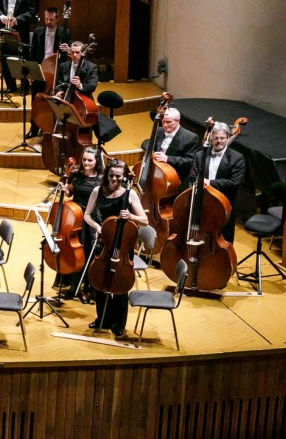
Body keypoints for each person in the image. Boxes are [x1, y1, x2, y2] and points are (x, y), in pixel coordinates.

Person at [83, 160, 148, 336]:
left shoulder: (130, 194)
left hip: (123, 245)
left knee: (120, 284)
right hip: (104, 242)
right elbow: (87, 214)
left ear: (124, 176)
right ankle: (103, 319)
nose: (114, 179)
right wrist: (97, 227)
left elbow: (145, 220)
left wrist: (131, 216)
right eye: (111, 175)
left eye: (118, 176)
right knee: (100, 281)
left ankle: (118, 323)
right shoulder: (98, 191)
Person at [56, 145, 103, 299]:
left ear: (96, 161)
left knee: (87, 253)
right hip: (75, 216)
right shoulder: (76, 174)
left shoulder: (101, 179)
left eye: (90, 160)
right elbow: (71, 190)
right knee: (73, 252)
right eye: (84, 160)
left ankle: (87, 288)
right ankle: (73, 285)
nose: (86, 163)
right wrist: (66, 190)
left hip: (90, 218)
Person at [202, 121, 247, 243]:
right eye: (215, 138)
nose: (219, 141)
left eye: (222, 138)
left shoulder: (237, 158)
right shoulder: (201, 155)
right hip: (203, 203)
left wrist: (209, 183)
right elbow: (193, 177)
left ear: (227, 137)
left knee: (224, 239)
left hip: (224, 203)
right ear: (211, 138)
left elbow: (234, 182)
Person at [141, 107, 199, 186]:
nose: (165, 125)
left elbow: (190, 161)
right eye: (163, 121)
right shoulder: (159, 130)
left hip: (175, 176)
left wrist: (167, 158)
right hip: (156, 172)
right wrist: (152, 151)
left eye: (168, 122)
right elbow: (146, 143)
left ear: (178, 121)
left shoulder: (190, 138)